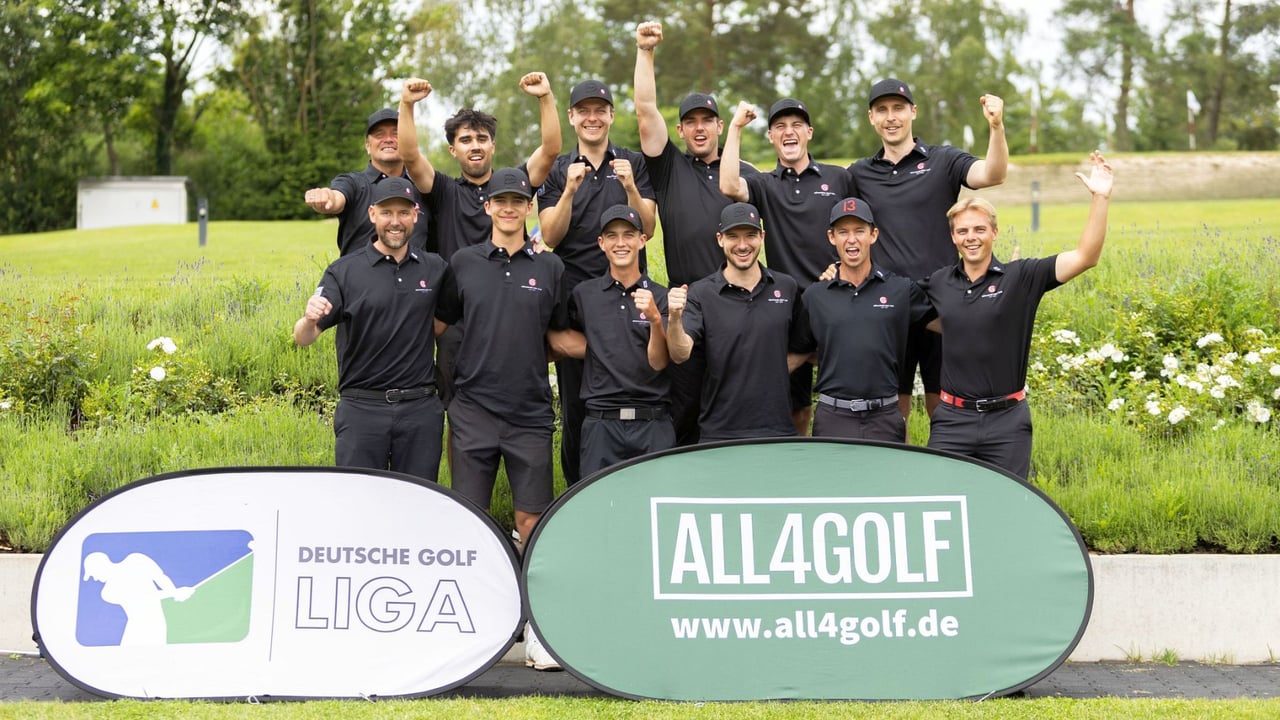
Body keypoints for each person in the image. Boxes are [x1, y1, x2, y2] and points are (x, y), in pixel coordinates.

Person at [434, 167, 569, 672]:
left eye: (518, 200)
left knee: (531, 520)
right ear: (487, 207)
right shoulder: (463, 263)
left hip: (530, 411)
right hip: (471, 410)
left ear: (529, 207)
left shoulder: (550, 268)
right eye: (500, 201)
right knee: (469, 517)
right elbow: (442, 325)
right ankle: (473, 629)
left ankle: (535, 629)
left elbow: (558, 338)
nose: (509, 208)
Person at [923, 151, 1113, 479]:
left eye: (979, 229)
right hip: (952, 421)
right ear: (953, 237)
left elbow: (1086, 257)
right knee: (944, 504)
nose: (971, 237)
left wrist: (1100, 197)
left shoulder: (1021, 277)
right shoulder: (939, 282)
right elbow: (902, 308)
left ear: (994, 233)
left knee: (1006, 510)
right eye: (963, 231)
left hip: (1006, 422)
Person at [847, 78, 1008, 425]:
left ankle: (948, 473)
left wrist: (996, 126)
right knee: (894, 409)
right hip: (887, 304)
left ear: (912, 113)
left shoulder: (944, 160)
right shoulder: (859, 173)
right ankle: (900, 477)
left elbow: (992, 174)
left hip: (943, 302)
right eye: (882, 111)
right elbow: (841, 227)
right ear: (871, 118)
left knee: (944, 404)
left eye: (898, 109)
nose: (891, 117)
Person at [396, 73, 561, 409]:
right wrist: (406, 104)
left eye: (482, 138)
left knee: (518, 402)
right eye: (466, 139)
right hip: (457, 320)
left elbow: (551, 150)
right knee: (458, 413)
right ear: (452, 148)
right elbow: (410, 155)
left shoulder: (512, 187)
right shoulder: (444, 191)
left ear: (492, 146)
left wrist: (545, 98)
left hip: (512, 312)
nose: (475, 145)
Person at [633, 20, 759, 446]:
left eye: (708, 120)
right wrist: (645, 51)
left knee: (740, 407)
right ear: (682, 130)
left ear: (721, 127)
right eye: (691, 122)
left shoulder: (744, 175)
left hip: (740, 305)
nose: (700, 127)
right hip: (686, 307)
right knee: (686, 411)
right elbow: (646, 110)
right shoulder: (668, 169)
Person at [538, 79, 658, 487]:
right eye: (583, 111)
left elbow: (650, 226)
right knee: (576, 405)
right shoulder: (558, 170)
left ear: (610, 115)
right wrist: (569, 190)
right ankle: (576, 492)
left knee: (638, 389)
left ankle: (641, 484)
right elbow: (550, 236)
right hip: (577, 297)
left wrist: (629, 187)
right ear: (571, 117)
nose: (592, 118)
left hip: (628, 292)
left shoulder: (632, 163)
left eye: (600, 110)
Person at [294, 176, 452, 483]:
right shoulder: (344, 271)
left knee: (418, 506)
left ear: (415, 216)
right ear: (372, 215)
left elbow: (442, 323)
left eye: (403, 213)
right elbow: (304, 338)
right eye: (387, 213)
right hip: (361, 409)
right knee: (360, 507)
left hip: (419, 410)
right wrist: (309, 319)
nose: (395, 221)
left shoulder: (435, 269)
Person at [720, 99, 854, 435]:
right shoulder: (765, 185)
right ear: (770, 137)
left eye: (796, 125)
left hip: (837, 301)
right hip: (788, 309)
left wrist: (844, 267)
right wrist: (735, 127)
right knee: (796, 409)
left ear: (809, 133)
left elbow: (859, 229)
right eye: (780, 126)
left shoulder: (839, 178)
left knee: (843, 399)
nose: (789, 131)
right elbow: (729, 186)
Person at [795, 198, 936, 441]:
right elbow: (798, 353)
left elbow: (952, 323)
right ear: (832, 237)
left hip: (885, 416)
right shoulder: (815, 296)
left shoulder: (901, 290)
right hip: (833, 418)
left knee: (887, 480)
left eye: (859, 231)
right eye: (843, 232)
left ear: (873, 235)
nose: (852, 239)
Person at [666, 202, 809, 441]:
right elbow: (680, 353)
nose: (742, 245)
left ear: (762, 237)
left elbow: (803, 346)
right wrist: (674, 319)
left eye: (750, 235)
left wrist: (770, 371)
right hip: (720, 432)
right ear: (720, 239)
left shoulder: (786, 287)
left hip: (777, 428)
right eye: (733, 236)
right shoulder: (701, 293)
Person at [556, 204, 673, 478]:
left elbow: (661, 360)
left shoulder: (662, 296)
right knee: (599, 513)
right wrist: (598, 349)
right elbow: (557, 334)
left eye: (629, 234)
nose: (621, 243)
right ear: (601, 243)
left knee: (655, 510)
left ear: (642, 240)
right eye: (612, 235)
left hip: (653, 423)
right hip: (601, 425)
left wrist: (655, 318)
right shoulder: (585, 295)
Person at [304, 108, 430, 256]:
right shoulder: (353, 183)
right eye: (379, 134)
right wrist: (327, 197)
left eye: (396, 134)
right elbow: (337, 197)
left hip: (416, 278)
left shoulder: (423, 187)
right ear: (367, 145)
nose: (388, 139)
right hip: (361, 278)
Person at [83, 552, 193, 646]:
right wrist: (174, 592)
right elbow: (143, 598)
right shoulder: (107, 592)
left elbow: (160, 577)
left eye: (93, 574)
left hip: (155, 624)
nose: (95, 578)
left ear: (101, 566)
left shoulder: (136, 560)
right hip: (136, 629)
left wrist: (174, 592)